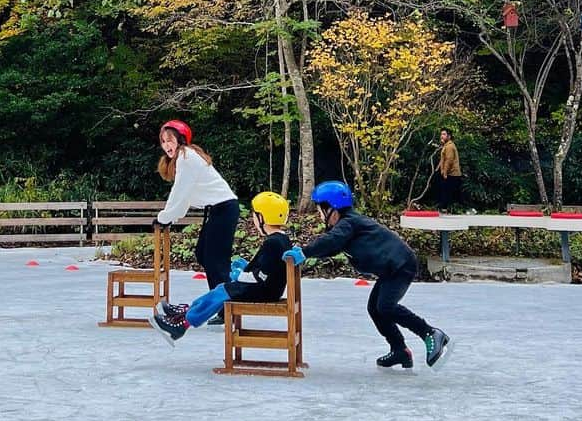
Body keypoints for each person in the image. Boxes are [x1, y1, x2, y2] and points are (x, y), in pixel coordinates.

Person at [284, 181, 451, 370]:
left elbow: (331, 241)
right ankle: (399, 350)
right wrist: (306, 253)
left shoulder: (349, 223)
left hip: (401, 266)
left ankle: (430, 333)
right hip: (390, 269)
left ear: (332, 208)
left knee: (385, 306)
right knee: (375, 308)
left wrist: (305, 252)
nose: (319, 215)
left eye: (321, 209)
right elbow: (331, 246)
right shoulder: (344, 226)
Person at [149, 191, 291, 344]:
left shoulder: (273, 243)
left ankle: (183, 323)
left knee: (220, 292)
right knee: (220, 290)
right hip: (268, 289)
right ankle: (185, 313)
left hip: (263, 291)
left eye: (255, 215)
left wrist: (239, 276)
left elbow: (261, 275)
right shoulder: (281, 240)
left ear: (262, 217)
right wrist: (245, 266)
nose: (253, 219)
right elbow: (268, 267)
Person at [154, 120, 240, 310]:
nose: (167, 146)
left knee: (215, 260)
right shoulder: (183, 158)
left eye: (170, 140)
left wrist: (164, 218)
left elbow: (179, 192)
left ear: (181, 140)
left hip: (224, 209)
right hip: (216, 210)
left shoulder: (186, 156)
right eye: (163, 142)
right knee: (203, 254)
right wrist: (170, 218)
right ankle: (226, 289)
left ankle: (224, 305)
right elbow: (184, 196)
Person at [437, 128, 464, 210]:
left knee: (447, 193)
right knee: (446, 192)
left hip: (451, 174)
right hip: (449, 173)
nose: (442, 136)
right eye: (441, 134)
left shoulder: (449, 147)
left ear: (449, 136)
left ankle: (445, 209)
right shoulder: (446, 145)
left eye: (444, 134)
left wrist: (445, 173)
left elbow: (449, 160)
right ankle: (445, 208)